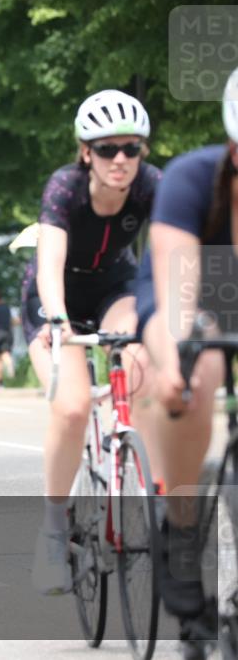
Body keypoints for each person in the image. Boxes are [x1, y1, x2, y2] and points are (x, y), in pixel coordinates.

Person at [26, 89, 161, 595]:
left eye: (131, 148)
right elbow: (49, 264)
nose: (120, 159)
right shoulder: (65, 187)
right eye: (107, 149)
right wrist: (58, 319)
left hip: (114, 287)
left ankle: (143, 478)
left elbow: (175, 254)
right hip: (57, 296)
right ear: (87, 152)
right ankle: (53, 532)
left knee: (145, 358)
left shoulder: (152, 185)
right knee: (71, 407)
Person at [134, 68, 238, 648]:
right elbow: (179, 296)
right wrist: (176, 362)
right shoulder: (190, 179)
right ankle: (179, 526)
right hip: (187, 294)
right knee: (197, 368)